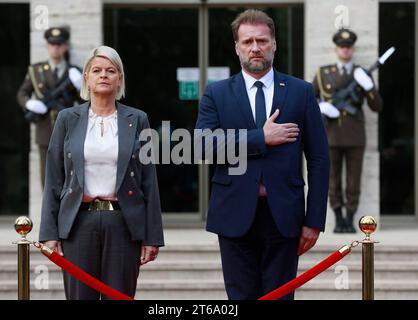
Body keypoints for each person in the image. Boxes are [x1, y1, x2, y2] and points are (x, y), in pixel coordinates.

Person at [195, 9, 330, 300]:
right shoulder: (217, 93)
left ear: (274, 44)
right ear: (237, 47)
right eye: (247, 42)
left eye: (262, 40)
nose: (255, 48)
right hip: (233, 213)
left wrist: (315, 219)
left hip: (284, 214)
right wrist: (261, 138)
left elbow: (319, 159)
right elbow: (202, 147)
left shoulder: (300, 92)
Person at [38, 45, 164, 299]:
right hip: (77, 224)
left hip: (123, 223)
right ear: (86, 77)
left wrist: (153, 236)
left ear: (119, 79)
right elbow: (54, 178)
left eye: (110, 70)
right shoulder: (66, 118)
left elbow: (149, 180)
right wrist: (49, 233)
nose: (103, 75)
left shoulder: (138, 119)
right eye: (96, 70)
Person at [312, 28, 382, 233]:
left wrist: (369, 87)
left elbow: (377, 107)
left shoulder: (361, 73)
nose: (345, 50)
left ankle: (350, 218)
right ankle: (338, 217)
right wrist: (321, 107)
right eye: (342, 47)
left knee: (354, 179)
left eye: (348, 47)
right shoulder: (323, 72)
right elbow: (309, 99)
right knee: (332, 178)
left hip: (354, 135)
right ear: (336, 49)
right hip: (331, 134)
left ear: (352, 49)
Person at [17, 27, 83, 187]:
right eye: (52, 44)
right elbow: (22, 93)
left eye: (59, 44)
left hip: (69, 132)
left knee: (70, 178)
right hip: (45, 131)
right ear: (47, 46)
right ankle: (48, 212)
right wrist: (29, 103)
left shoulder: (74, 72)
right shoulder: (36, 70)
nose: (56, 48)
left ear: (66, 46)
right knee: (47, 180)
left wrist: (82, 87)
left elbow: (85, 105)